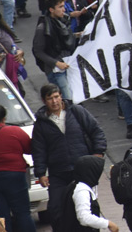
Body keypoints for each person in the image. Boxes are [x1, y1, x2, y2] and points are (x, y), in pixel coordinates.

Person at [31, 83, 108, 227]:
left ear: (61, 97)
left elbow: (96, 131)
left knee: (87, 207)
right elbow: (39, 149)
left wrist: (98, 153)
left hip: (82, 171)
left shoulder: (77, 112)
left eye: (56, 97)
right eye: (50, 98)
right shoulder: (41, 124)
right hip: (58, 173)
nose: (54, 101)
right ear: (44, 101)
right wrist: (40, 173)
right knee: (56, 208)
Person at [0, 98, 37, 232]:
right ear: (4, 118)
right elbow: (30, 149)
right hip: (15, 176)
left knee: (2, 215)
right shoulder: (14, 131)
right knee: (23, 213)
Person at [32, 0, 78, 100]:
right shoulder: (42, 28)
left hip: (67, 65)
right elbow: (38, 51)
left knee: (73, 98)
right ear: (51, 9)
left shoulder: (63, 21)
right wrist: (56, 63)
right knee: (67, 99)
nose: (64, 9)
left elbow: (66, 37)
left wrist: (79, 35)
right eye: (60, 7)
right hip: (55, 70)